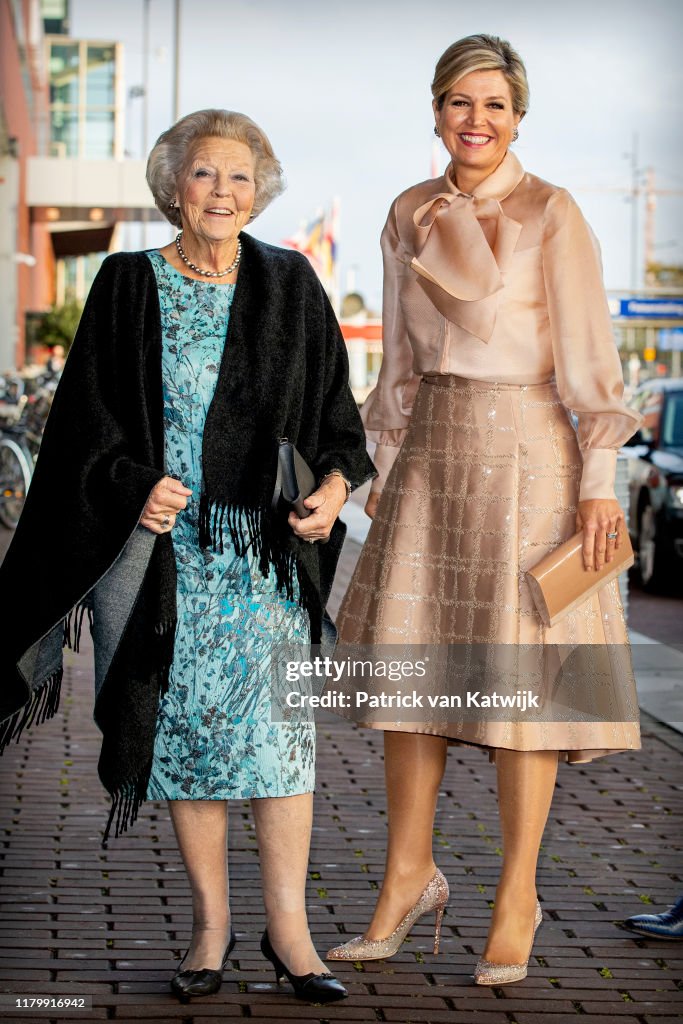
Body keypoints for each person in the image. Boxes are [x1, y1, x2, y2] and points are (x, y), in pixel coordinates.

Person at [0, 109, 374, 1004]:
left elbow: (337, 424)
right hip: (168, 558)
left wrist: (331, 491)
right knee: (187, 743)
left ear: (260, 191)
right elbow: (84, 425)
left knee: (280, 747)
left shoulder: (291, 282)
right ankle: (211, 929)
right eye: (205, 174)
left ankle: (292, 935)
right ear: (173, 186)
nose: (222, 193)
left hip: (265, 560)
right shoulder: (128, 284)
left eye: (240, 177)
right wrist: (134, 482)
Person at [326, 35, 642, 985]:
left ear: (517, 117)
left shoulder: (555, 211)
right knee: (413, 683)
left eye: (495, 104)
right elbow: (397, 368)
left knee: (526, 684)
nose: (476, 120)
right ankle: (406, 877)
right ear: (434, 112)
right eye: (460, 102)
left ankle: (516, 893)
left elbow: (590, 360)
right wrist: (386, 460)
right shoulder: (403, 214)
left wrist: (595, 485)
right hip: (434, 452)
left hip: (534, 459)